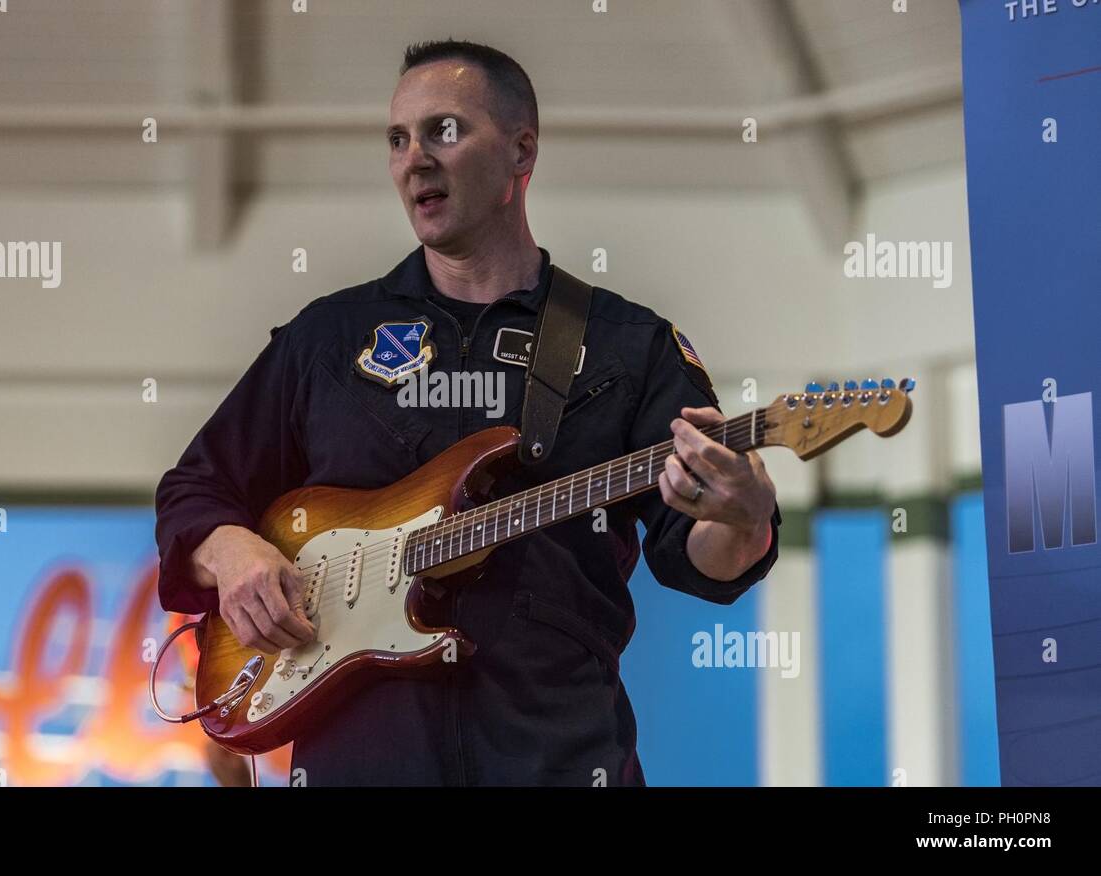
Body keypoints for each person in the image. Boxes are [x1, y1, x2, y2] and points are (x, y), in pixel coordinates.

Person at [155, 39, 780, 786]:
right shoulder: (326, 338)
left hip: (557, 759)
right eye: (397, 139)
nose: (414, 157)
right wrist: (234, 554)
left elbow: (702, 559)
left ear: (522, 152)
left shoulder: (629, 346)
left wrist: (744, 515)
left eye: (443, 131)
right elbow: (195, 489)